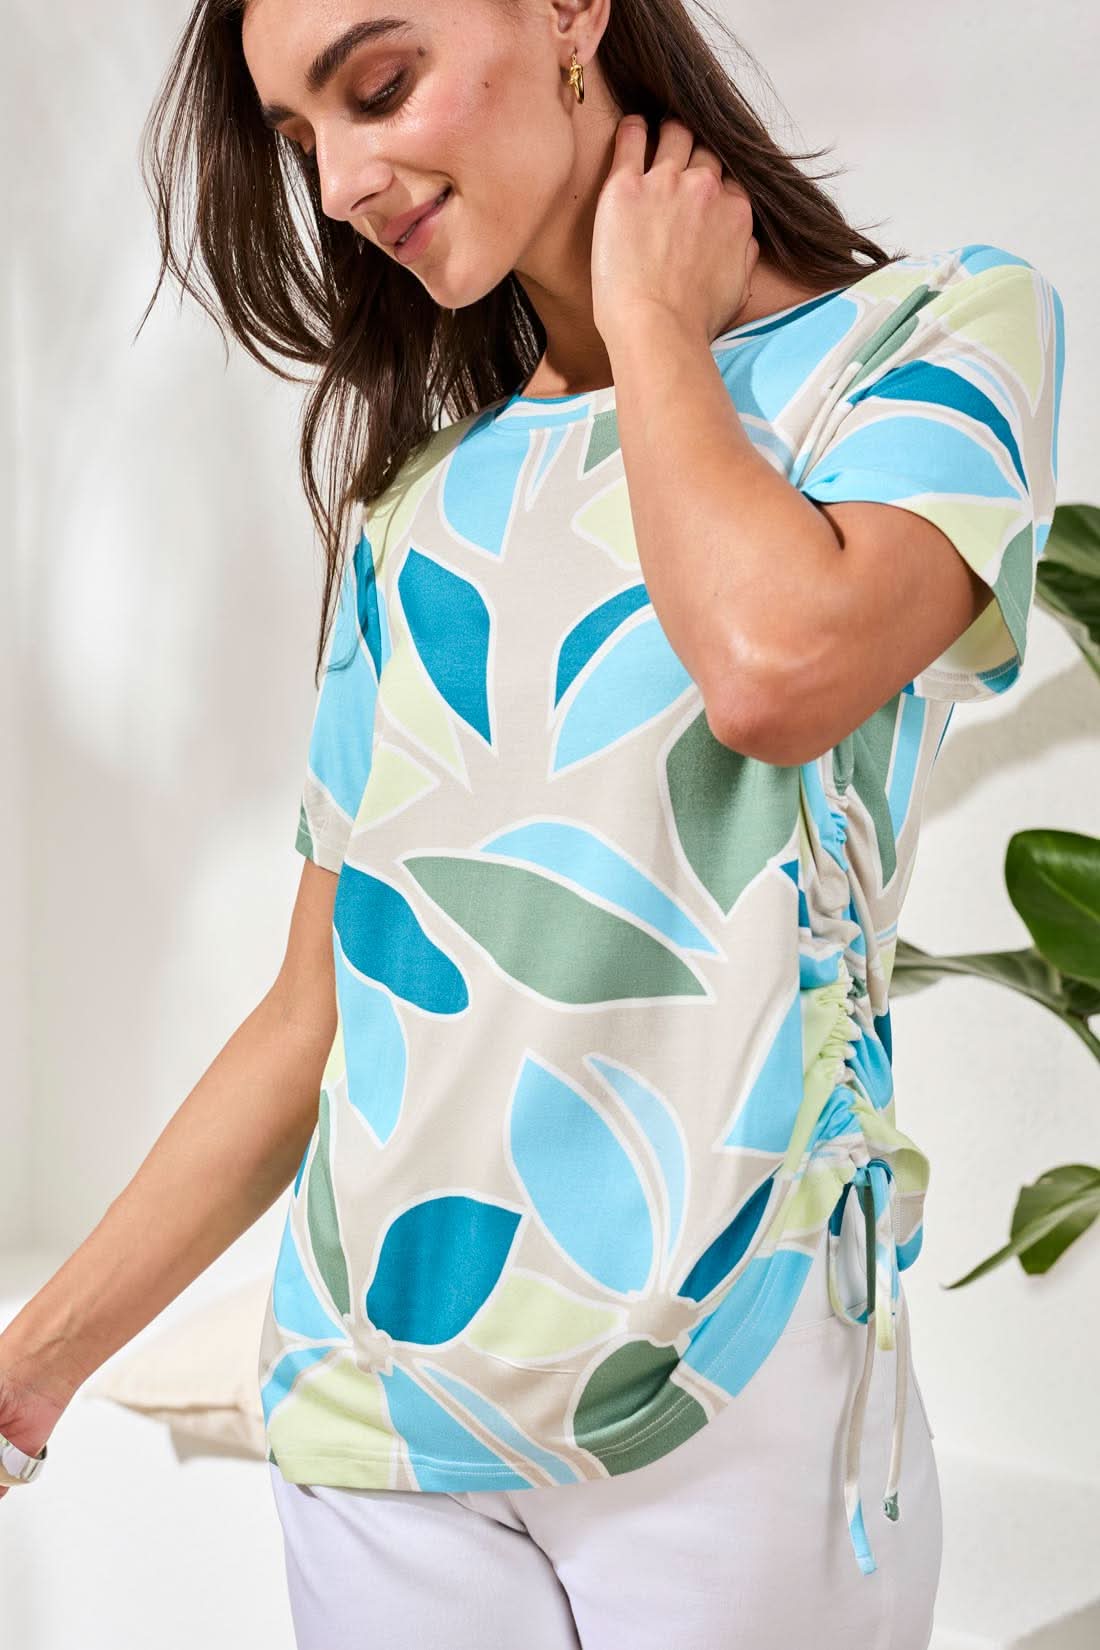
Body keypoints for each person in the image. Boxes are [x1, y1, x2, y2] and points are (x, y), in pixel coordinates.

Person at [0, 1, 1065, 1646]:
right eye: (303, 141)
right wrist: (29, 1364)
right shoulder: (415, 514)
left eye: (378, 85)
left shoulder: (929, 345)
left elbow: (778, 668)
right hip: (375, 1412)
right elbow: (317, 1013)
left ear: (574, 8)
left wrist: (651, 321)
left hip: (728, 1375)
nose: (346, 180)